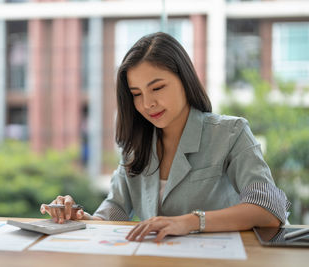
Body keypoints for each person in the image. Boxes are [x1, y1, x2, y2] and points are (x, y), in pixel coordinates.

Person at [40, 32, 290, 242]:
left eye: (157, 88)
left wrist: (191, 222)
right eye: (137, 94)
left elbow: (268, 208)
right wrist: (80, 218)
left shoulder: (230, 133)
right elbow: (115, 210)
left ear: (184, 79)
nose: (148, 103)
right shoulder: (136, 146)